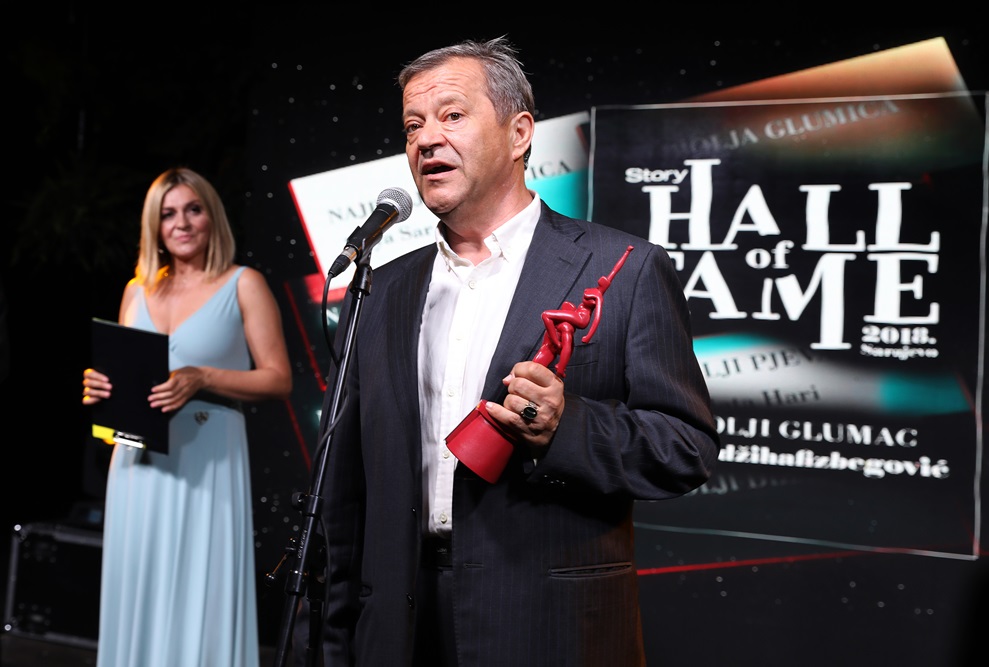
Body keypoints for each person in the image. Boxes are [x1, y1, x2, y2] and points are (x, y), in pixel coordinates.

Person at [294, 37, 719, 667]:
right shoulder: (379, 290)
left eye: (451, 115)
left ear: (519, 133)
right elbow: (343, 492)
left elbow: (684, 448)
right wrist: (331, 644)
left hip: (547, 625)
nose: (426, 139)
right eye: (412, 125)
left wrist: (565, 428)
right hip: (398, 627)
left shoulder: (626, 268)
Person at [82, 166, 293, 667]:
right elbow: (126, 378)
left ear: (211, 216)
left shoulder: (243, 283)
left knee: (201, 593)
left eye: (193, 210)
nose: (181, 223)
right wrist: (100, 390)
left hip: (207, 459)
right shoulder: (136, 290)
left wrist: (202, 377)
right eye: (168, 214)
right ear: (154, 226)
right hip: (135, 466)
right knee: (138, 589)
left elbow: (278, 379)